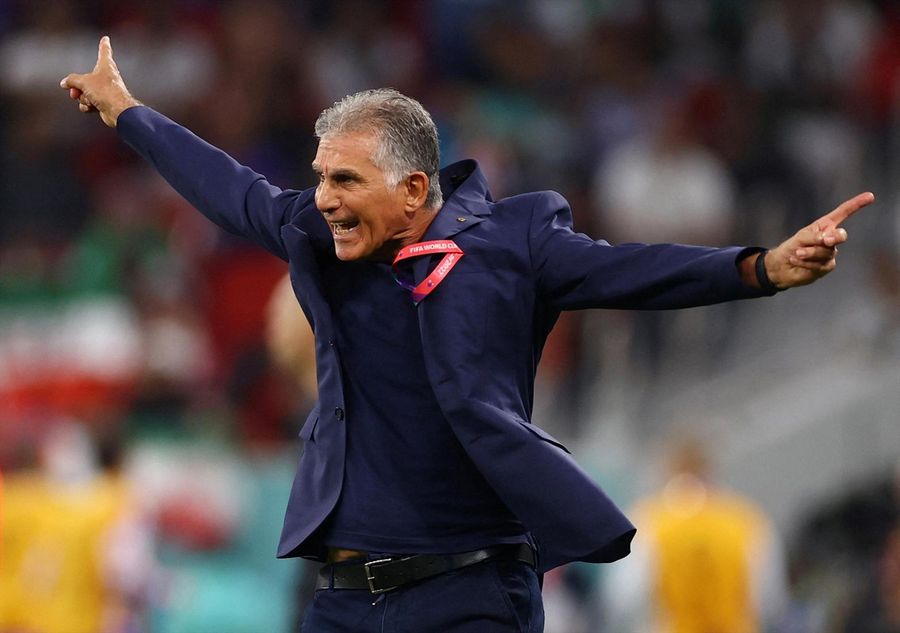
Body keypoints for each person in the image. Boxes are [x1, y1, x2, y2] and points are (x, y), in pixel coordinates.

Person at [60, 37, 874, 633]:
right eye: (319, 176)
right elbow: (229, 189)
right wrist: (127, 112)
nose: (324, 198)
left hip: (471, 595)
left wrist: (761, 267)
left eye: (345, 179)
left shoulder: (518, 242)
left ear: (414, 187)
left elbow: (636, 270)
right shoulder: (315, 235)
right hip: (343, 600)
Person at [602, 437, 789, 632]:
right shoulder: (746, 520)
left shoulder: (650, 519)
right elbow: (770, 599)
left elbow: (622, 598)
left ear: (668, 467)